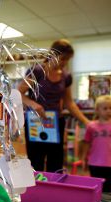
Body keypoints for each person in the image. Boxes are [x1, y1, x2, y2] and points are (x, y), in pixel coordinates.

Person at [18, 39, 90, 172]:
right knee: (36, 159)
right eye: (63, 59)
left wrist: (86, 121)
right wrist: (33, 104)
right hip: (36, 121)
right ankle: (36, 190)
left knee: (56, 160)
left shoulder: (66, 76)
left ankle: (54, 189)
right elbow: (18, 93)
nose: (65, 63)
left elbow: (69, 103)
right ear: (53, 55)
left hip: (56, 122)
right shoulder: (37, 71)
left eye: (68, 60)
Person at [81, 95, 111, 192]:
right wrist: (84, 158)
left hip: (109, 163)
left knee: (108, 188)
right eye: (105, 108)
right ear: (97, 110)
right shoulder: (91, 126)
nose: (108, 111)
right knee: (97, 187)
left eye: (110, 108)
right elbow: (87, 143)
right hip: (94, 163)